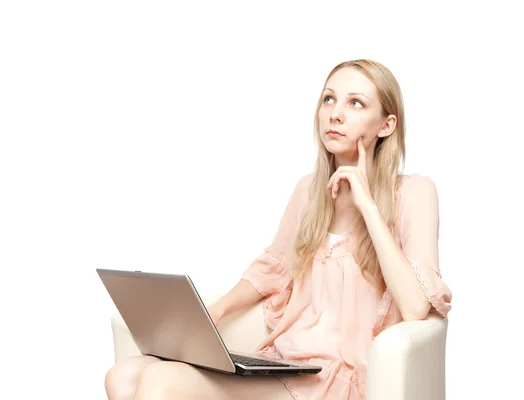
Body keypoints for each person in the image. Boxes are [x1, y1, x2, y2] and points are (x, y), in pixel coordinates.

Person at [104, 59, 453, 399]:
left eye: (356, 103)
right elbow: (272, 270)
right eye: (329, 99)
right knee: (123, 376)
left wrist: (367, 205)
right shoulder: (308, 191)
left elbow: (415, 308)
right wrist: (214, 313)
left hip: (338, 377)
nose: (335, 113)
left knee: (162, 382)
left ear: (386, 126)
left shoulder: (414, 192)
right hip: (289, 364)